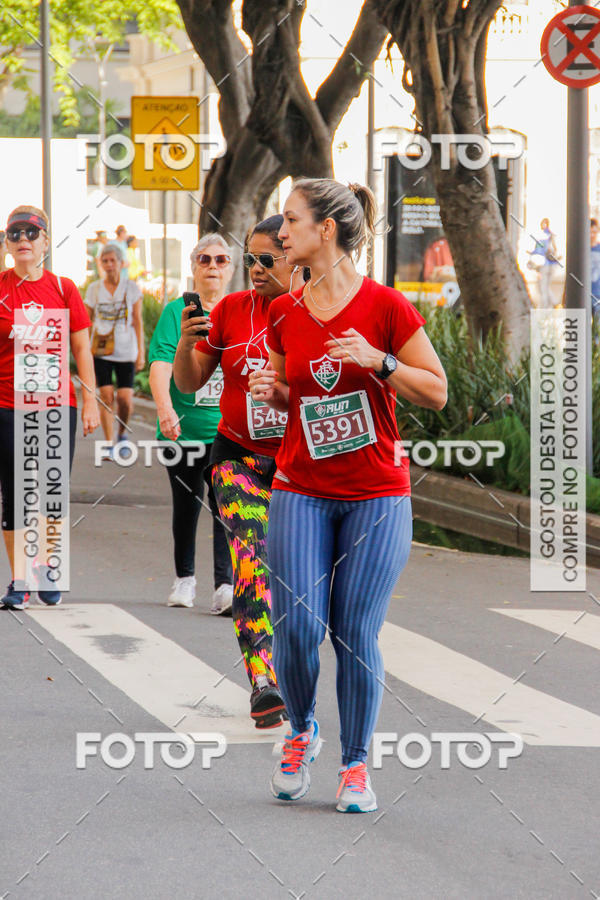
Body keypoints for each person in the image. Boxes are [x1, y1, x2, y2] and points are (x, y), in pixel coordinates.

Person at [250, 179, 447, 810]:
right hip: (300, 488)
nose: (282, 233)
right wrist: (270, 391)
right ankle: (301, 729)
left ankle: (356, 764)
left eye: (291, 220)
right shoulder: (285, 311)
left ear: (326, 229)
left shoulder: (387, 307)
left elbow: (436, 391)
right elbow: (294, 393)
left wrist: (378, 360)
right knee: (298, 627)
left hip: (376, 493)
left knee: (355, 632)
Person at [173, 215, 299, 729]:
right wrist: (187, 341)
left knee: (294, 578)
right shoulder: (230, 309)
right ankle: (263, 682)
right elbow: (188, 381)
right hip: (236, 458)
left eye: (267, 259)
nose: (256, 268)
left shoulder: (314, 312)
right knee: (250, 558)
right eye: (251, 258)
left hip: (298, 466)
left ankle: (298, 673)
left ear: (295, 260)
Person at [0, 205, 100, 609]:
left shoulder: (63, 288)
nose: (23, 240)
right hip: (8, 404)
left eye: (31, 233)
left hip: (58, 405)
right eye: (15, 234)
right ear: (6, 242)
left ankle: (48, 566)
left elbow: (81, 348)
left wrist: (91, 401)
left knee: (50, 492)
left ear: (45, 241)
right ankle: (19, 579)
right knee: (15, 494)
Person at [148, 234, 233, 612]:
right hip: (182, 431)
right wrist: (165, 409)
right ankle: (184, 579)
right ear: (193, 267)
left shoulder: (239, 310)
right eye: (204, 259)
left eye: (220, 260)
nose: (212, 267)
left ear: (230, 269)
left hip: (228, 431)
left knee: (227, 506)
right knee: (187, 506)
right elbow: (161, 363)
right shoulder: (177, 311)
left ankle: (225, 585)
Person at [84, 241, 144, 460]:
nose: (109, 265)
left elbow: (138, 320)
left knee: (125, 399)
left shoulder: (131, 288)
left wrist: (141, 352)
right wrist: (83, 350)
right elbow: (87, 320)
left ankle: (122, 434)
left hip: (126, 350)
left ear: (121, 263)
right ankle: (109, 444)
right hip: (101, 351)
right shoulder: (94, 289)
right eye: (105, 261)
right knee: (106, 395)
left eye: (113, 261)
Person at [529, 218, 559, 309]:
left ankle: (546, 306)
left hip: (544, 264)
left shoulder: (542, 236)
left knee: (543, 287)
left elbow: (539, 250)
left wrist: (532, 254)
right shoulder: (552, 235)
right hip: (552, 264)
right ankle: (553, 302)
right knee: (545, 286)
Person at [591, 218, 600, 322]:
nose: (592, 235)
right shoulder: (580, 249)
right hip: (583, 294)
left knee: (597, 329)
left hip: (598, 294)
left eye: (594, 232)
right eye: (589, 232)